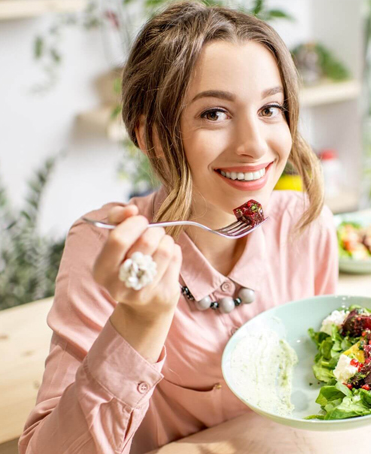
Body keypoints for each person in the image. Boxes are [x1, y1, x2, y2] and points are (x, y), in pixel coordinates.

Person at [19, 2, 338, 453]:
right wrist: (138, 321)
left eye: (271, 109)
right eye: (214, 114)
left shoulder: (305, 226)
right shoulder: (106, 249)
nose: (254, 145)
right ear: (150, 136)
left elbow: (317, 389)